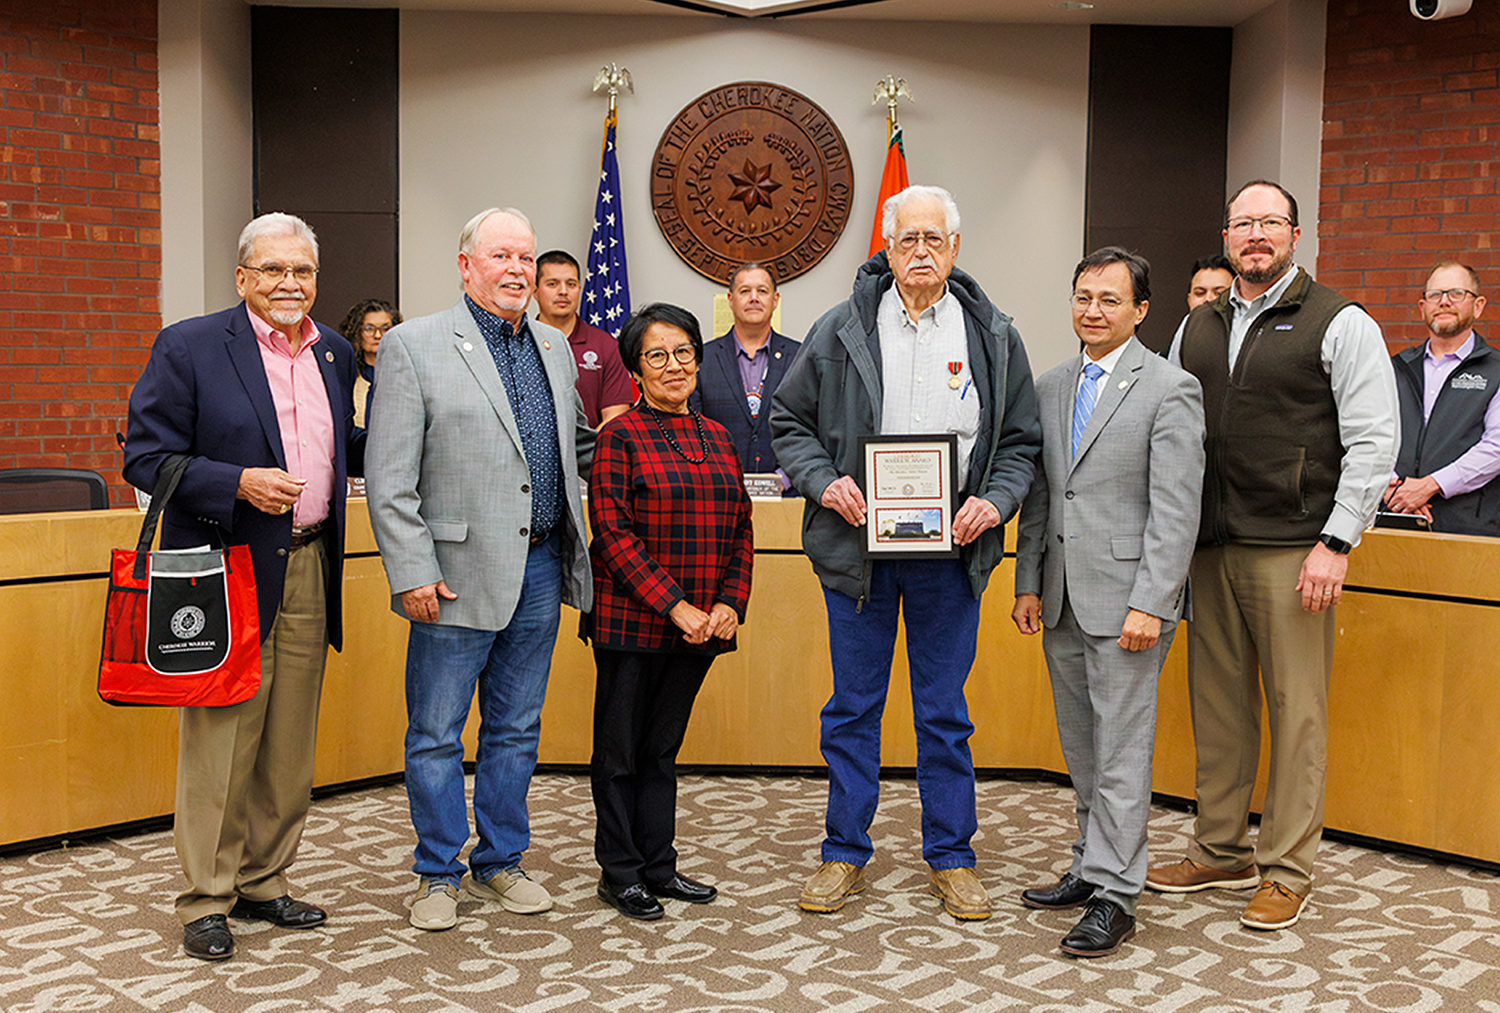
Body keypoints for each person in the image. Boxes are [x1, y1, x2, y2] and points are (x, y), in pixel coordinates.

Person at [771, 184, 1041, 921]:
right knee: (852, 708)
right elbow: (787, 420)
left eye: (934, 239)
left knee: (943, 712)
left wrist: (996, 501)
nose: (921, 251)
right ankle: (843, 852)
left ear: (955, 249)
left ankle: (952, 856)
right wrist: (824, 482)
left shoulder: (993, 335)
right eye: (908, 239)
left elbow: (1020, 440)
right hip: (859, 552)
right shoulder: (840, 328)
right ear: (887, 250)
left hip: (951, 555)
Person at [1151, 180, 1398, 930]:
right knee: (1217, 707)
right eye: (1243, 223)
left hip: (1295, 549)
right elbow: (1170, 427)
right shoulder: (1196, 326)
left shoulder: (1340, 321)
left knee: (1298, 713)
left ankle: (1287, 869)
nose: (1256, 235)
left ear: (1295, 234)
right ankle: (1220, 849)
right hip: (1209, 546)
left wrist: (1337, 541)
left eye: (1271, 223)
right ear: (1226, 236)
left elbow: (1373, 440)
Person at [123, 212, 362, 961]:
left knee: (290, 740)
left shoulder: (335, 351)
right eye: (273, 270)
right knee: (222, 740)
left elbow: (343, 448)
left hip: (310, 563)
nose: (290, 283)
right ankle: (207, 897)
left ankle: (264, 878)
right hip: (225, 568)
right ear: (242, 278)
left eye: (303, 271)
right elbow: (146, 456)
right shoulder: (190, 346)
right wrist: (237, 483)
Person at [365, 207, 595, 932]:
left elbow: (575, 447)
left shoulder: (553, 346)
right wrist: (411, 570)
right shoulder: (413, 345)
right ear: (466, 266)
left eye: (526, 257)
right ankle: (437, 872)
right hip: (451, 575)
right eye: (501, 256)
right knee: (437, 731)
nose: (517, 270)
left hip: (540, 568)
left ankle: (500, 861)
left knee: (516, 728)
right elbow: (389, 478)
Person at [1012, 247, 1204, 957]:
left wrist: (1153, 600)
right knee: (1083, 746)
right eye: (1083, 297)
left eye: (1110, 300)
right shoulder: (1051, 385)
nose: (1093, 311)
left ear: (1141, 309)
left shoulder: (1171, 388)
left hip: (1130, 604)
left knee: (1121, 750)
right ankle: (1090, 864)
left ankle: (1117, 895)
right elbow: (1043, 494)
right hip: (1062, 597)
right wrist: (1027, 581)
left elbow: (1176, 509)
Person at [587, 302, 754, 921]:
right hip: (632, 623)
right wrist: (675, 605)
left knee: (661, 749)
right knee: (620, 753)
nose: (673, 365)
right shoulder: (620, 436)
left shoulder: (717, 437)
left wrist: (730, 602)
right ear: (635, 370)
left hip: (701, 625)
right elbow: (612, 534)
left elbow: (741, 528)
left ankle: (659, 865)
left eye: (684, 352)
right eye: (656, 355)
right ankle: (620, 872)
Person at [1385, 262, 1500, 534]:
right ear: (1422, 307)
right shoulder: (1395, 367)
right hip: (1394, 517)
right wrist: (1390, 486)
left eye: (1456, 293)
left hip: (1467, 526)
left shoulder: (1496, 370)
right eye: (1435, 294)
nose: (1444, 301)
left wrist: (1430, 486)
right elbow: (1370, 432)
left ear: (1478, 306)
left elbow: (1496, 446)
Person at [690, 262, 801, 491]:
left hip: (787, 496)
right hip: (718, 493)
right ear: (730, 300)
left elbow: (811, 427)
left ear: (775, 300)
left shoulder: (800, 357)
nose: (754, 298)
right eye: (745, 291)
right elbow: (693, 429)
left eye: (762, 291)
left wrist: (782, 480)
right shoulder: (702, 359)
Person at [535, 249, 635, 428]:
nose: (563, 291)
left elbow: (615, 418)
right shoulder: (519, 343)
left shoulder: (606, 346)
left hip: (592, 446)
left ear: (580, 289)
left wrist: (586, 446)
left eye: (571, 284)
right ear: (534, 291)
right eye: (552, 284)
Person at [338, 298, 401, 428]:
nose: (377, 335)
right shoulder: (344, 376)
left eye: (385, 328)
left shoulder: (406, 375)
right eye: (369, 328)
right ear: (357, 332)